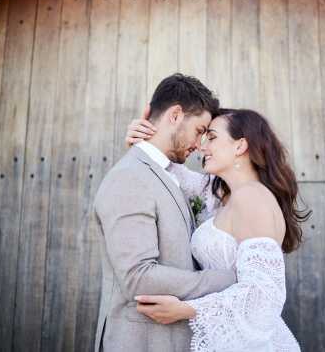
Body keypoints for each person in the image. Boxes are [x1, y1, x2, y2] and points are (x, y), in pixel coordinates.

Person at [126, 106, 311, 352]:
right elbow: (169, 171)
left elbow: (263, 295)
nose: (203, 147)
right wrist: (145, 140)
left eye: (211, 137)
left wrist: (187, 310)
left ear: (240, 146)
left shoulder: (252, 198)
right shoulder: (222, 193)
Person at [92, 74, 237, 352]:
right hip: (141, 343)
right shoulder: (130, 177)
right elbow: (138, 276)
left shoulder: (171, 176)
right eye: (199, 130)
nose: (199, 145)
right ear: (175, 115)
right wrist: (230, 279)